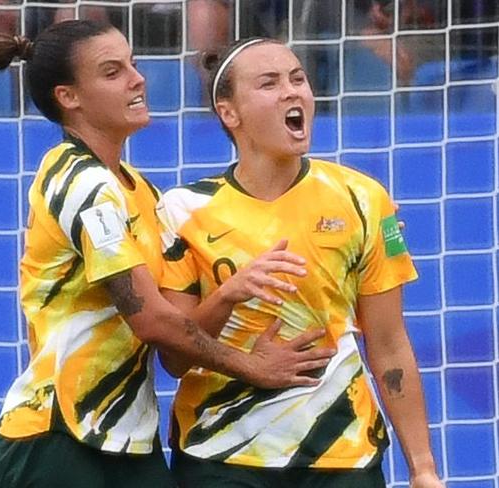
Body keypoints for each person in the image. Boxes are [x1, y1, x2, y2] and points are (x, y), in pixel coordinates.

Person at [0, 19, 335, 488]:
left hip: (129, 442)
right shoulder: (80, 182)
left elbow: (176, 338)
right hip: (58, 436)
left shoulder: (139, 190)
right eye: (112, 71)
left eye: (134, 64)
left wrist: (360, 227)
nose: (138, 78)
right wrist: (254, 367)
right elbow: (152, 320)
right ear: (69, 97)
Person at [157, 37, 443, 488]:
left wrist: (423, 468)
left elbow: (389, 343)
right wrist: (231, 293)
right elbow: (173, 356)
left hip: (341, 454)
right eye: (269, 83)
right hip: (221, 458)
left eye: (298, 78)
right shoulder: (182, 210)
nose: (292, 92)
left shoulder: (363, 198)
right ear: (230, 114)